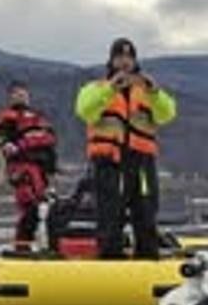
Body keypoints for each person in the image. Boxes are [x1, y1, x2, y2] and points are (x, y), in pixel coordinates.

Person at [76, 38, 177, 259]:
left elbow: (167, 114)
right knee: (111, 217)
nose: (124, 62)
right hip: (110, 163)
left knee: (146, 214)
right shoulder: (96, 89)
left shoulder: (148, 92)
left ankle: (148, 260)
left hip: (141, 163)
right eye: (119, 57)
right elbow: (85, 110)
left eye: (129, 57)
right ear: (111, 61)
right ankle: (110, 262)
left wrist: (155, 93)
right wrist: (111, 89)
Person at [0, 81, 59, 252]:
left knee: (48, 208)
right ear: (10, 96)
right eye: (17, 94)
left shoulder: (38, 116)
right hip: (22, 168)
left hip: (42, 170)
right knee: (29, 208)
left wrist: (31, 142)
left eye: (24, 94)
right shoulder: (5, 117)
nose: (21, 96)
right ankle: (22, 247)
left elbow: (50, 137)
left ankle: (48, 245)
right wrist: (15, 145)